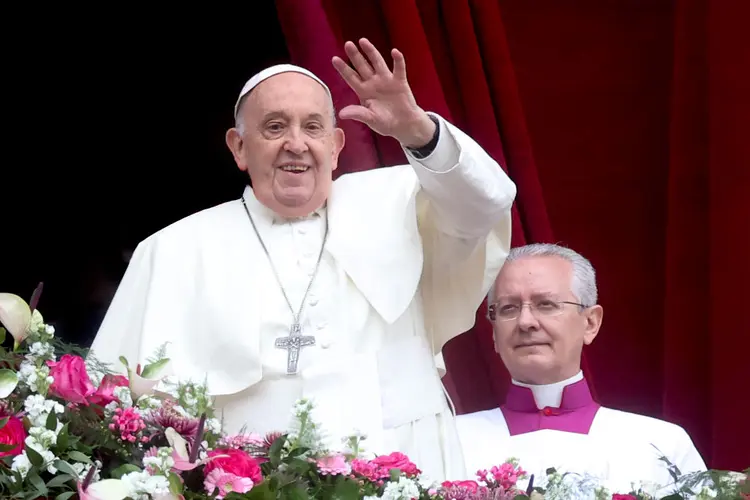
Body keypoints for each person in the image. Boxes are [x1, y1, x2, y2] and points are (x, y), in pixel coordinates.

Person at [87, 38, 517, 482]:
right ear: (238, 147)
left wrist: (417, 131)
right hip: (252, 486)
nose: (296, 143)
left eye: (313, 128)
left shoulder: (402, 201)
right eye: (275, 127)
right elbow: (114, 405)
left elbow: (488, 202)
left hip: (405, 462)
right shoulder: (173, 250)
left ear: (335, 147)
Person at [455, 243, 707, 492]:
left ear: (590, 323)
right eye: (508, 308)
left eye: (546, 304)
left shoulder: (660, 444)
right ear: (494, 334)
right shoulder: (447, 441)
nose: (525, 322)